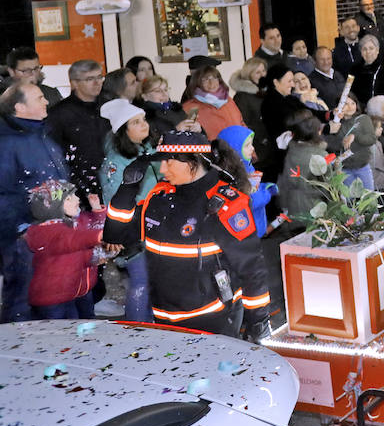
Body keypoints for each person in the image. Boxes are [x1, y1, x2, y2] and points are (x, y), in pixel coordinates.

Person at [103, 126, 272, 338]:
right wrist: (126, 190)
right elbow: (114, 236)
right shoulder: (159, 200)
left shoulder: (225, 205)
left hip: (213, 323)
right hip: (164, 320)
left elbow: (252, 270)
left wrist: (258, 323)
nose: (162, 169)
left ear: (194, 161)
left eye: (169, 161)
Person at [0, 83, 68, 323]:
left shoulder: (42, 134)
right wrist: (22, 230)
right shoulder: (6, 142)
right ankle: (16, 352)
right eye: (39, 98)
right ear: (20, 107)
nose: (46, 101)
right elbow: (4, 193)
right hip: (25, 237)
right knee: (23, 296)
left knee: (51, 296)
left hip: (53, 230)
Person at [98, 99, 157, 322]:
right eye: (136, 122)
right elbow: (116, 201)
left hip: (150, 224)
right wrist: (120, 233)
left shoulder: (147, 151)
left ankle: (151, 324)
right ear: (123, 131)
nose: (144, 125)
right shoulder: (116, 163)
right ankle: (137, 329)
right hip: (133, 230)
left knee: (152, 282)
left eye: (143, 120)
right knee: (140, 281)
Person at [24, 179, 106, 320]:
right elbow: (72, 240)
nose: (77, 199)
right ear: (54, 206)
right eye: (70, 197)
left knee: (72, 332)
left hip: (69, 295)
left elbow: (75, 253)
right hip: (51, 301)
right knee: (57, 336)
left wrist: (93, 257)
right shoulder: (47, 231)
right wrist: (100, 236)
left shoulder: (71, 223)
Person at [47, 60, 110, 204]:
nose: (97, 82)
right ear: (74, 83)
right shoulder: (60, 113)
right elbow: (55, 152)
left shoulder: (108, 106)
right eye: (90, 79)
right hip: (78, 184)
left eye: (100, 77)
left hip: (111, 177)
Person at [258, 62, 304, 183]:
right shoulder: (271, 103)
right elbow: (294, 123)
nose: (293, 85)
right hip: (280, 157)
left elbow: (309, 112)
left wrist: (329, 114)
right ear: (276, 82)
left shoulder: (288, 98)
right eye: (289, 81)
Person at [183, 63, 245, 141]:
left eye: (214, 78)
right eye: (205, 79)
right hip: (213, 151)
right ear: (198, 82)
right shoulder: (192, 108)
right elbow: (189, 136)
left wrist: (250, 150)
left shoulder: (228, 101)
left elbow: (241, 124)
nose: (211, 83)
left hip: (238, 150)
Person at [328, 92, 376, 190]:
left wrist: (355, 136)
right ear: (339, 106)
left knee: (369, 199)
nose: (350, 107)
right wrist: (335, 122)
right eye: (346, 104)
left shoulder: (363, 119)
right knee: (349, 201)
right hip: (344, 169)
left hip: (362, 166)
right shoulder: (335, 123)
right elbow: (330, 144)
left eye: (353, 103)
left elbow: (371, 139)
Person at [351, 34, 384, 107]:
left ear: (377, 50)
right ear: (361, 52)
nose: (368, 52)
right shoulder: (355, 70)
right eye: (364, 49)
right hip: (362, 109)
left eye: (371, 48)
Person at [228, 58, 268, 140]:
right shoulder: (242, 96)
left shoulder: (267, 91)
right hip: (256, 144)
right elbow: (242, 124)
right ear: (249, 75)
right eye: (257, 72)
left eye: (263, 71)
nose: (262, 75)